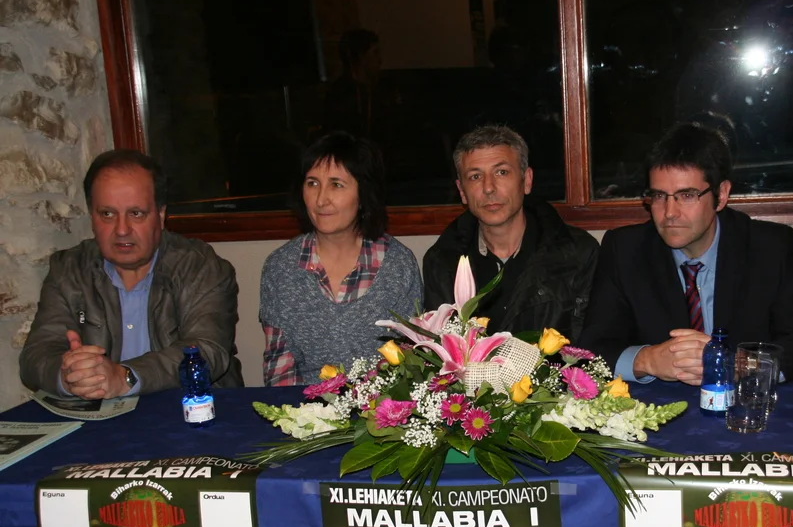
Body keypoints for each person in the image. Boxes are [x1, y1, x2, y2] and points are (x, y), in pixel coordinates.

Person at [578, 120, 793, 384]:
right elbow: (589, 351)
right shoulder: (625, 250)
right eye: (659, 196)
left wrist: (736, 364)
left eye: (687, 195)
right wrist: (647, 360)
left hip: (744, 403)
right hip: (657, 406)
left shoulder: (770, 247)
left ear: (721, 195)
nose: (669, 213)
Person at [20, 149, 243, 398]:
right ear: (92, 217)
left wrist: (124, 376)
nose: (122, 230)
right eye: (107, 214)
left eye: (136, 213)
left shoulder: (201, 267)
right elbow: (35, 356)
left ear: (160, 215)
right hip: (98, 416)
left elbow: (207, 351)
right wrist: (70, 375)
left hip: (190, 410)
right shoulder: (69, 270)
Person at [259, 131, 422, 385]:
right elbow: (280, 365)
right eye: (312, 183)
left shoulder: (398, 264)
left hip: (380, 405)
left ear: (363, 194)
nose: (321, 200)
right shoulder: (280, 267)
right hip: (304, 405)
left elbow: (408, 362)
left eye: (336, 185)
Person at [423, 125, 598, 340]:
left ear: (527, 180)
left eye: (502, 172)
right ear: (462, 191)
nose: (488, 188)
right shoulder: (442, 261)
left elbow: (589, 347)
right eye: (475, 176)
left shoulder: (578, 253)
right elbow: (438, 347)